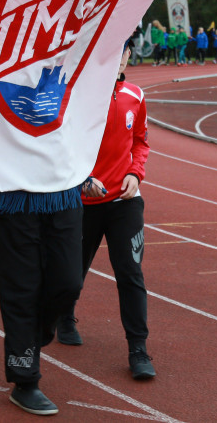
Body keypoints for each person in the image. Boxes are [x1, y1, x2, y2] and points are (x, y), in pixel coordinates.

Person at [59, 36, 155, 380]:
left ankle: (138, 348)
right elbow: (61, 144)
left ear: (128, 56)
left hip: (124, 202)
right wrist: (82, 176)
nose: (118, 56)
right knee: (73, 273)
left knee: (131, 274)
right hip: (82, 202)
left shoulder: (135, 96)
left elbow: (141, 142)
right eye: (112, 49)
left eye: (124, 50)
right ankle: (65, 315)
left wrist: (135, 172)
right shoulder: (77, 95)